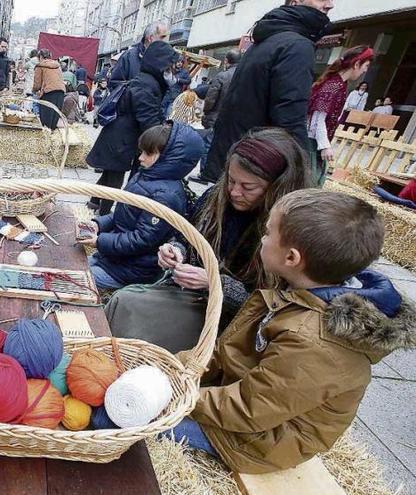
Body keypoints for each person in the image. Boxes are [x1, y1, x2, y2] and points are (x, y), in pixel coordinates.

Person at [165, 189, 416, 474]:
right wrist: (174, 368)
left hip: (254, 442)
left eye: (269, 232)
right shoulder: (302, 291)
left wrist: (173, 394)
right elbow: (231, 354)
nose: (262, 237)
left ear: (292, 257)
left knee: (125, 419)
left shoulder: (314, 342)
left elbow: (249, 408)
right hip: (246, 409)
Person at [105, 127, 312, 352]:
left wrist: (214, 282)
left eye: (248, 187)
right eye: (231, 181)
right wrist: (176, 250)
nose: (234, 192)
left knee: (128, 308)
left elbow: (273, 306)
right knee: (123, 302)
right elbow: (186, 234)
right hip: (192, 298)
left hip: (235, 326)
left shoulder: (290, 230)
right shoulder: (216, 197)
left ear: (277, 187)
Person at [201, 0, 332, 184]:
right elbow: (290, 116)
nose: (330, 5)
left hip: (238, 159)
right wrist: (302, 176)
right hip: (255, 166)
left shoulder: (269, 41)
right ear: (295, 2)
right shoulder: (295, 46)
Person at [80, 121, 202, 289]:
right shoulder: (145, 176)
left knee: (77, 279)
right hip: (113, 258)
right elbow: (121, 216)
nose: (141, 157)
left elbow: (142, 239)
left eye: (148, 153)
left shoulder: (166, 196)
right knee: (73, 265)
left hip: (130, 271)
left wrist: (100, 241)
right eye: (142, 151)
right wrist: (98, 224)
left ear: (170, 157)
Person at [86, 41, 179, 215]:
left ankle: (94, 203)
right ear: (160, 64)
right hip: (122, 139)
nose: (172, 70)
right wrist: (161, 137)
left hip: (119, 135)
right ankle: (103, 215)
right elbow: (148, 120)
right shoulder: (146, 84)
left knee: (110, 174)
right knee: (113, 181)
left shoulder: (147, 80)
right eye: (169, 66)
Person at [307, 46, 374, 185]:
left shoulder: (339, 84)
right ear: (356, 64)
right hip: (311, 143)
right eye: (365, 66)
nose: (365, 70)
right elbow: (317, 119)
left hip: (314, 143)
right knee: (310, 184)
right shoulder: (333, 86)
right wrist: (324, 145)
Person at [196, 49, 241, 178]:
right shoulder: (245, 75)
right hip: (234, 120)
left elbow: (211, 98)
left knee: (209, 145)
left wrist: (206, 112)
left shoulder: (222, 76)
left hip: (215, 117)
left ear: (226, 61)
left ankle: (205, 173)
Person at [108, 21, 169, 89]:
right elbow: (114, 84)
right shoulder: (128, 57)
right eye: (162, 37)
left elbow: (169, 87)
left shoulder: (164, 60)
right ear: (151, 38)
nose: (165, 41)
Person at [32, 49, 67, 130]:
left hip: (49, 93)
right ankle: (51, 136)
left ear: (40, 57)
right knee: (54, 118)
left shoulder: (40, 66)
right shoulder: (57, 65)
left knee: (46, 119)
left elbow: (37, 84)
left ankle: (45, 137)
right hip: (61, 92)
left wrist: (34, 91)